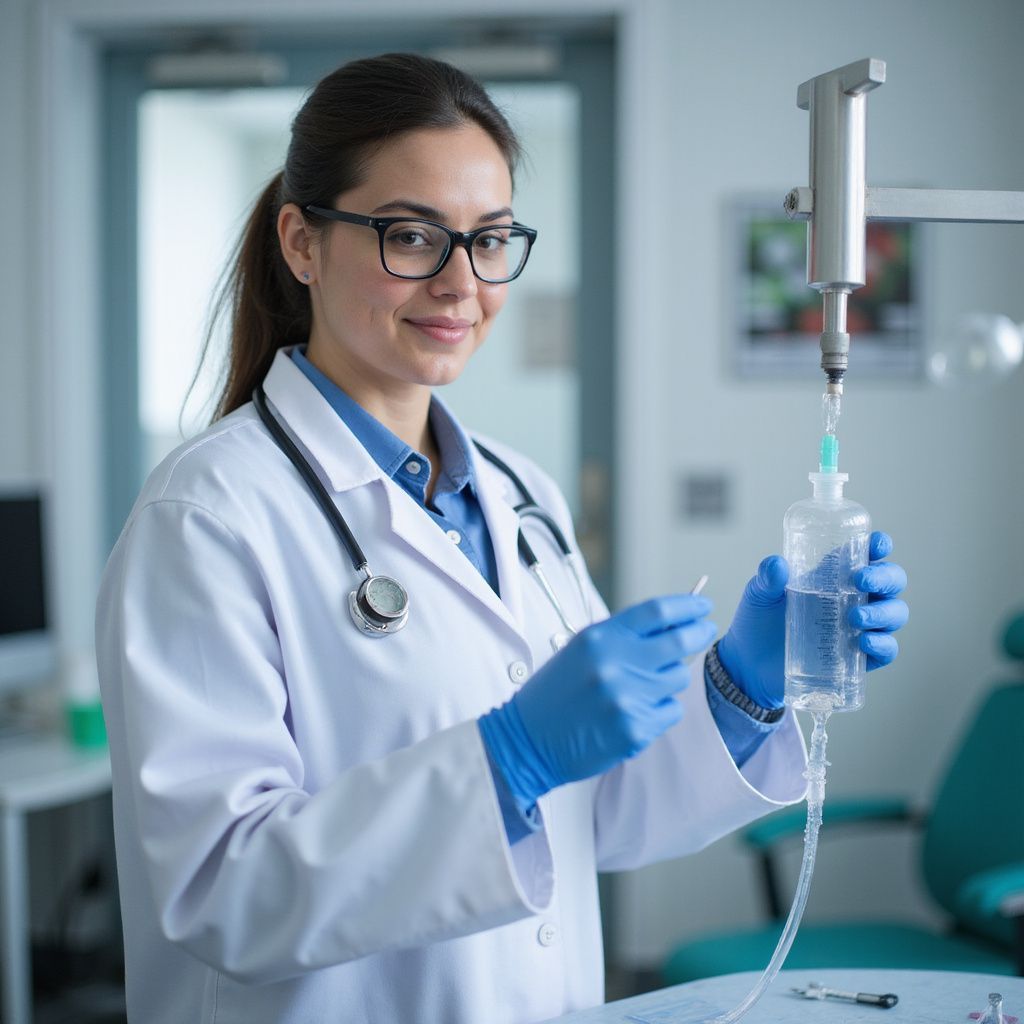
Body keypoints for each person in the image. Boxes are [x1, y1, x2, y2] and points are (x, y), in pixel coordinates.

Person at [95, 52, 909, 1024]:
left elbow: (592, 813)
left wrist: (743, 685)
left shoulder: (520, 494)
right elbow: (218, 891)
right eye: (410, 236)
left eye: (489, 241)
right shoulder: (208, 517)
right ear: (300, 242)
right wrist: (507, 756)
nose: (459, 283)